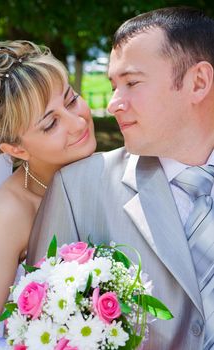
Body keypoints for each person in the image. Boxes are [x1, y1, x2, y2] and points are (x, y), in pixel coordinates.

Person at [27, 7, 214, 350]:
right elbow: (40, 330)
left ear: (198, 82)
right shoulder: (78, 188)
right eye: (113, 85)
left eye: (131, 83)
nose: (113, 104)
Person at [0, 39, 96, 349]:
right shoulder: (11, 214)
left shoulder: (106, 167)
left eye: (71, 100)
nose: (77, 122)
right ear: (16, 149)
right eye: (51, 123)